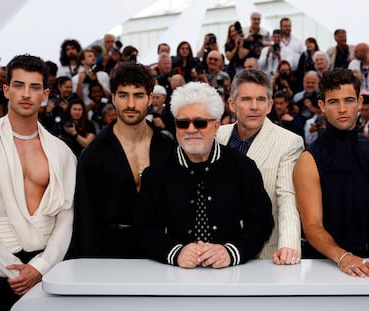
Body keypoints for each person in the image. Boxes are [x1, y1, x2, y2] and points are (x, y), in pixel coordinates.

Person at [0, 54, 77, 310]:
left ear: (45, 94)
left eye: (34, 87)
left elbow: (66, 217)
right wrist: (10, 270)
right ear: (6, 89)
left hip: (46, 268)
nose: (26, 94)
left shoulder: (62, 153)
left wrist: (40, 267)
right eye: (19, 85)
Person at [137, 81, 274, 268]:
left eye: (200, 123)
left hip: (232, 277)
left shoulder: (243, 168)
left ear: (216, 125)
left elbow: (261, 222)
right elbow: (143, 228)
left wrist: (231, 251)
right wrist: (175, 252)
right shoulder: (156, 173)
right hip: (172, 277)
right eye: (183, 123)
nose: (191, 130)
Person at [68, 62, 176, 259]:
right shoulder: (94, 154)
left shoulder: (167, 149)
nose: (131, 104)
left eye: (139, 95)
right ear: (113, 98)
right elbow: (85, 220)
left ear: (150, 99)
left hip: (161, 252)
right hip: (109, 256)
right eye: (124, 95)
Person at [216, 69, 304, 264]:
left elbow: (287, 197)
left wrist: (288, 246)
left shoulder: (289, 142)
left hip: (264, 255)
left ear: (270, 105)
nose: (254, 107)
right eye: (246, 99)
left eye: (261, 99)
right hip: (217, 251)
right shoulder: (216, 135)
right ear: (232, 104)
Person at [293, 68, 369, 277]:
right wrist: (344, 257)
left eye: (349, 100)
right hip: (324, 266)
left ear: (360, 103)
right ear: (322, 106)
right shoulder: (308, 160)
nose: (342, 109)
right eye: (334, 102)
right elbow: (312, 226)